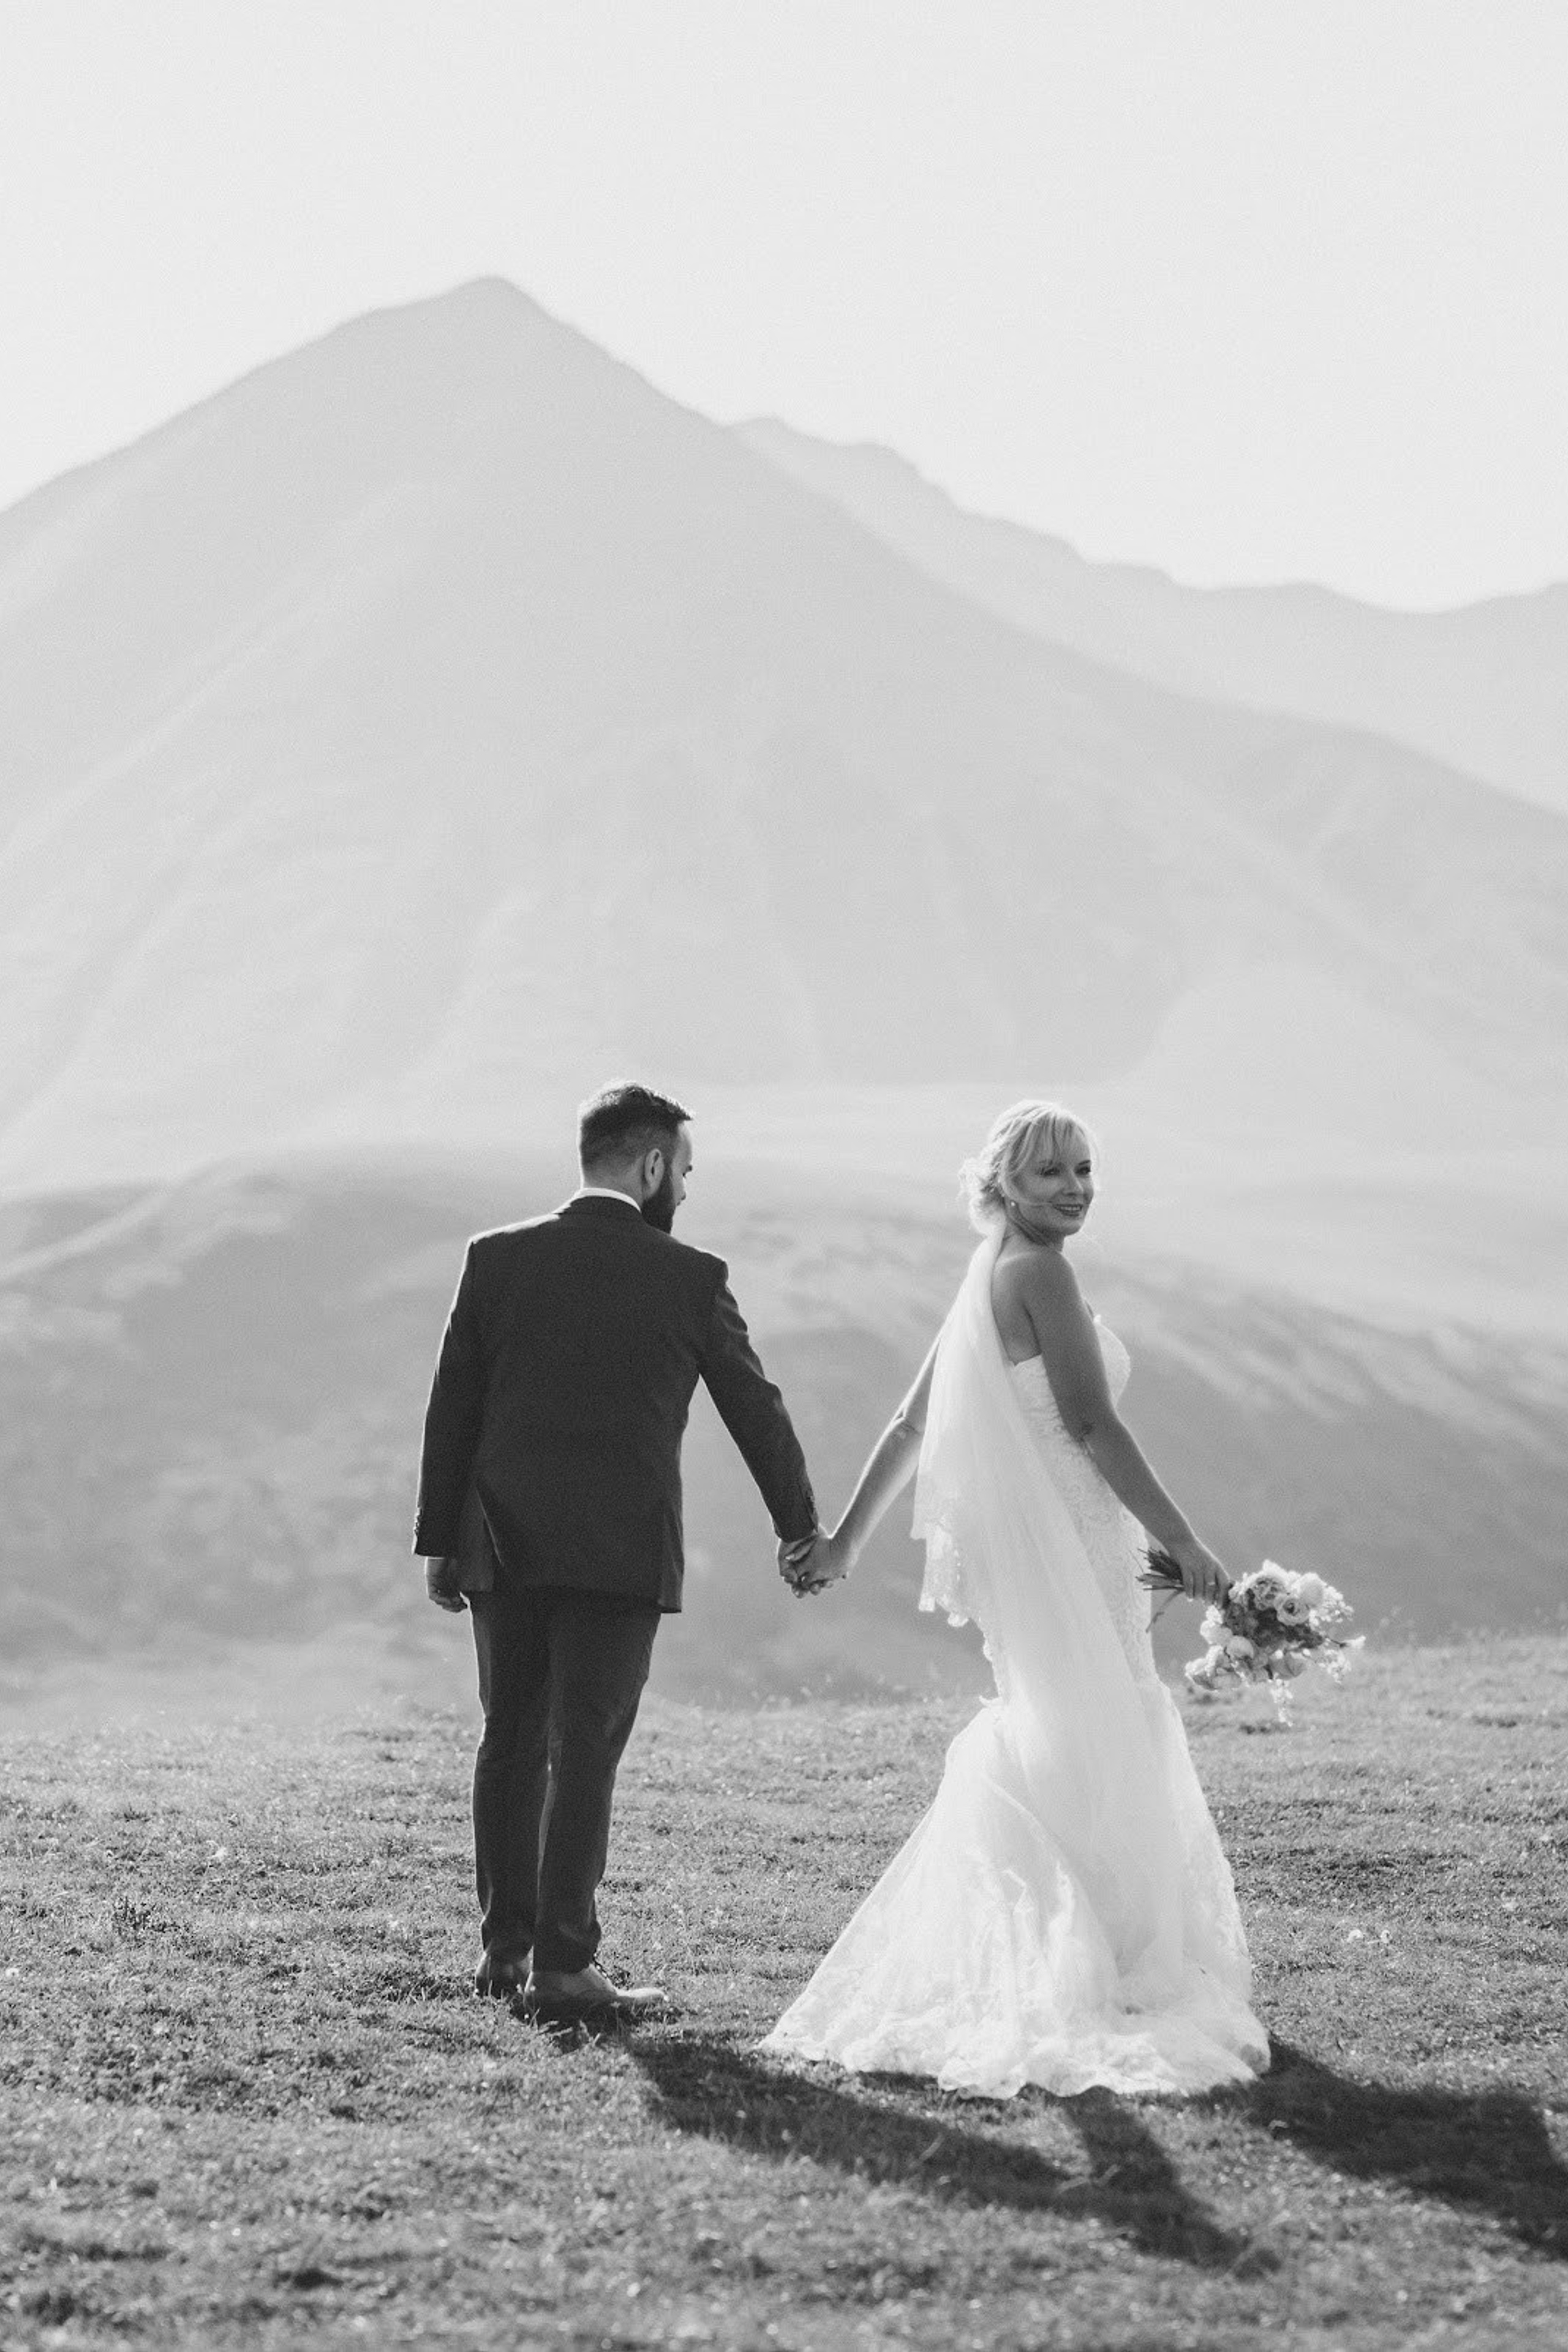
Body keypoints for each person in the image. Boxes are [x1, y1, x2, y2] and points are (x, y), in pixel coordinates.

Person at [768, 1100, 1269, 2096]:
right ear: (1004, 1185)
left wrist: (842, 1548)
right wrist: (1188, 1543)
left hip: (1047, 1548)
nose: (1075, 1188)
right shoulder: (1040, 1272)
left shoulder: (985, 1272)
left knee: (1064, 1725)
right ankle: (1101, 1962)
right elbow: (1093, 1426)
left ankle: (1071, 1948)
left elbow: (912, 1426)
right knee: (1101, 1724)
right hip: (1075, 1541)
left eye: (1085, 1169)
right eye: (1052, 1174)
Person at [413, 1081, 820, 2026]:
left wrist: (441, 1542)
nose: (684, 1187)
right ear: (650, 1168)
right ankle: (565, 1966)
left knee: (508, 1741)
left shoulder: (496, 1259)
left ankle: (504, 1953)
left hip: (500, 1543)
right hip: (620, 1554)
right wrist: (797, 1525)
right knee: (584, 1747)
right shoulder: (690, 1277)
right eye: (683, 1170)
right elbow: (756, 1408)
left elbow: (453, 1407)